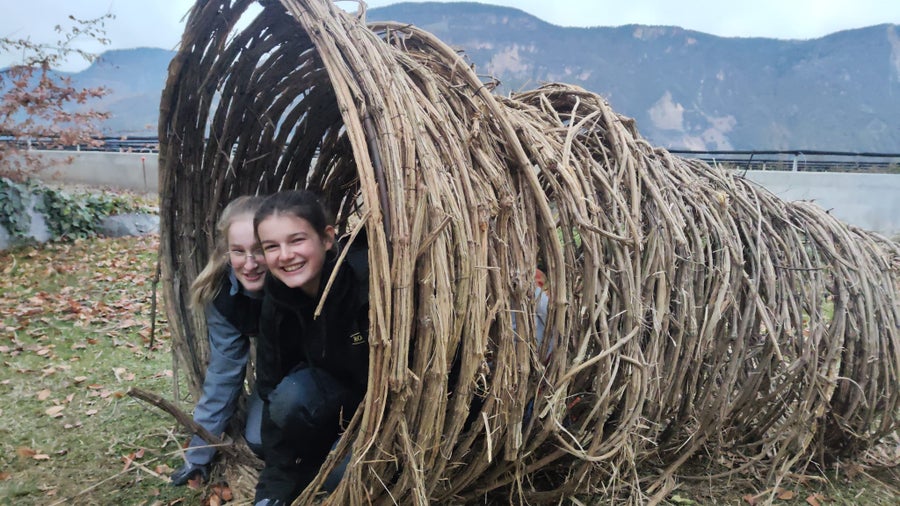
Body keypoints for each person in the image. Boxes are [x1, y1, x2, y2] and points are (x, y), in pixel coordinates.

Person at [251, 190, 369, 506]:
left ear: (327, 239)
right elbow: (270, 382)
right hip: (329, 395)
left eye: (297, 240)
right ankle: (314, 459)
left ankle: (331, 457)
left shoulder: (362, 284)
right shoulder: (277, 294)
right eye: (271, 246)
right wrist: (272, 490)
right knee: (265, 428)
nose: (285, 255)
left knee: (338, 475)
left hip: (378, 403)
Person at [170, 195, 268, 486]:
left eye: (260, 250)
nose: (249, 264)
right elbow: (223, 375)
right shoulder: (223, 297)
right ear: (226, 251)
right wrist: (198, 455)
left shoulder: (299, 278)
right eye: (238, 251)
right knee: (260, 439)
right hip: (279, 377)